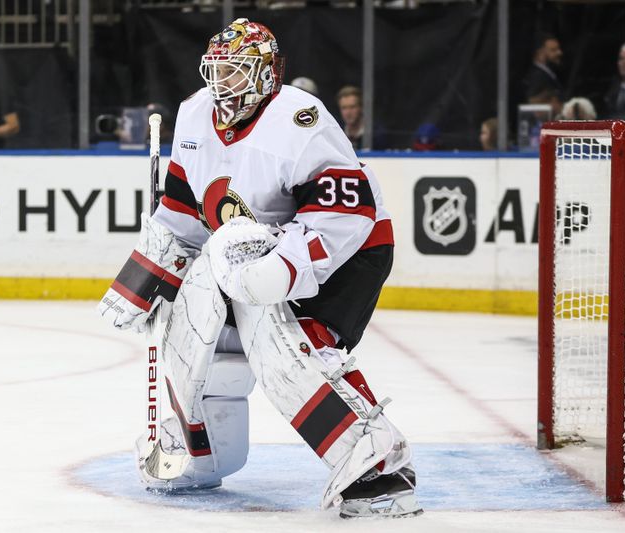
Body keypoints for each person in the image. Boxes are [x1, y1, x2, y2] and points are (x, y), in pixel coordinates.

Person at [98, 18, 420, 519]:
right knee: (194, 313)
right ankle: (197, 451)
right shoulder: (193, 116)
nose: (222, 84)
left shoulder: (299, 119)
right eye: (217, 72)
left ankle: (378, 467)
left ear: (268, 72)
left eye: (236, 72)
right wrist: (143, 284)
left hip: (346, 252)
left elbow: (346, 213)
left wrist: (285, 270)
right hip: (246, 255)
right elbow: (183, 214)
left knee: (295, 344)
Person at [523, 33, 563, 101]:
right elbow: (532, 102)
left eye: (558, 49)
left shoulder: (548, 73)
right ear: (540, 53)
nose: (559, 52)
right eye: (553, 50)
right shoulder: (537, 75)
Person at [336, 85, 364, 149]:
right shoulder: (336, 133)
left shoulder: (377, 135)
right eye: (344, 108)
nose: (348, 112)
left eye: (352, 107)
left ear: (361, 108)